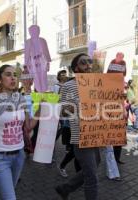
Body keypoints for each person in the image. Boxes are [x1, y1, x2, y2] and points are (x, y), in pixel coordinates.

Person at [0, 64, 40, 200]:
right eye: (8, 74)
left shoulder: (21, 99)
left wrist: (41, 109)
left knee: (8, 192)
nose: (13, 78)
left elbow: (28, 126)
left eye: (15, 75)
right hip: (0, 158)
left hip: (19, 156)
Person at [55, 53, 101, 200]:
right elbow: (63, 111)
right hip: (80, 136)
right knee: (91, 177)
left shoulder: (97, 83)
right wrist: (82, 104)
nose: (88, 65)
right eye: (83, 63)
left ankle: (65, 188)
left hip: (96, 133)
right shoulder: (68, 86)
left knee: (96, 164)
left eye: (89, 62)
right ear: (76, 68)